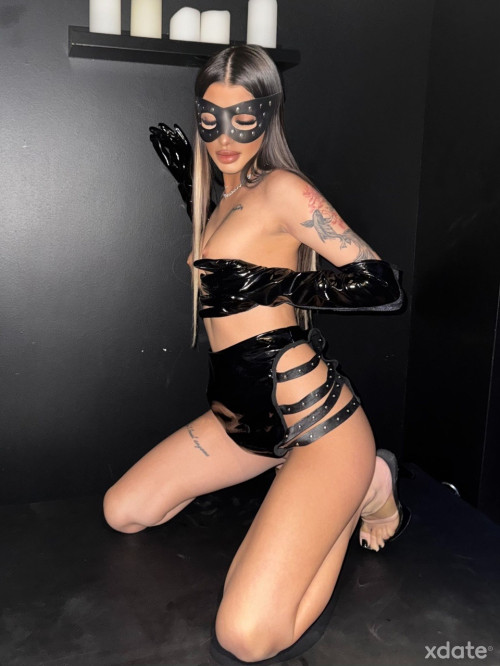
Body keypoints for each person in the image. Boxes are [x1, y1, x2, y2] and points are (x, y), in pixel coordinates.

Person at [104, 44, 411, 665]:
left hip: (315, 425)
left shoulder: (282, 190)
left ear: (268, 115)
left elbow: (383, 286)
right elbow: (226, 244)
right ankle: (314, 482)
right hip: (237, 422)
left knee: (246, 636)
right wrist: (187, 183)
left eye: (242, 119)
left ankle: (364, 484)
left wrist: (275, 285)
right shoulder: (223, 196)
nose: (224, 137)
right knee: (124, 513)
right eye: (209, 119)